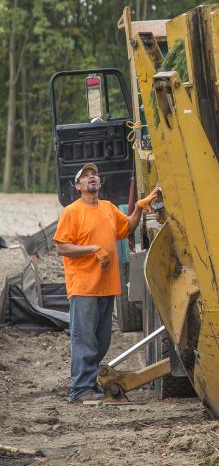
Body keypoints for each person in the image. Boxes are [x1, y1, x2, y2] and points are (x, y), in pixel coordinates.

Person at [53, 162, 158, 403]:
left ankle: (87, 384)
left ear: (99, 183)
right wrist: (92, 249)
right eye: (86, 176)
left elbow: (127, 228)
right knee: (85, 339)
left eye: (95, 175)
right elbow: (61, 246)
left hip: (107, 285)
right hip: (84, 286)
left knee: (102, 340)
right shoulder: (72, 212)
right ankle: (80, 389)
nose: (92, 177)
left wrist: (139, 209)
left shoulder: (108, 208)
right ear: (78, 186)